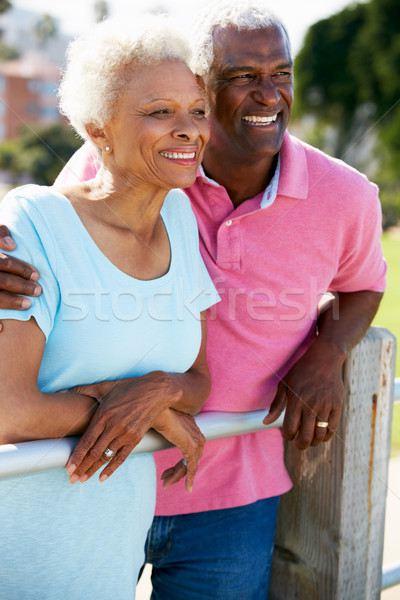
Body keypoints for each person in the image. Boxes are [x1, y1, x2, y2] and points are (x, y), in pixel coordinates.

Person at [0, 1, 386, 598]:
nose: (268, 94)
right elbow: (52, 247)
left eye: (281, 73)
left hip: (229, 485)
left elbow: (363, 284)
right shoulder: (129, 166)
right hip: (90, 483)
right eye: (241, 78)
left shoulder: (340, 196)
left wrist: (327, 349)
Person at [0, 15, 220, 600]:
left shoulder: (178, 215)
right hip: (20, 543)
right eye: (159, 112)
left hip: (110, 547)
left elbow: (196, 381)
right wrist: (121, 402)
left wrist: (155, 393)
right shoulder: (34, 221)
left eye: (197, 110)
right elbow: (7, 412)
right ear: (99, 131)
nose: (189, 130)